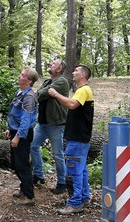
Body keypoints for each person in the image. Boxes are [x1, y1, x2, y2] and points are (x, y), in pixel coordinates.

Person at [48, 65, 94, 215]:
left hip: (78, 138)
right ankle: (84, 197)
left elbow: (72, 105)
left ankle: (75, 203)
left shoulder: (83, 90)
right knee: (82, 170)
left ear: (83, 75)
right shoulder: (83, 91)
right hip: (80, 138)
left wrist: (55, 94)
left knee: (74, 171)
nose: (73, 72)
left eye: (76, 71)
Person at [30, 59, 70, 194]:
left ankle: (62, 182)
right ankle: (39, 175)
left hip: (56, 124)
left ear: (58, 69)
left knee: (58, 154)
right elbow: (38, 95)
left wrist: (44, 92)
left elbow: (42, 93)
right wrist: (44, 92)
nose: (50, 65)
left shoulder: (62, 81)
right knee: (33, 146)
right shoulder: (48, 81)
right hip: (42, 123)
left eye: (53, 64)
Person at [5, 67, 39, 205]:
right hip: (16, 131)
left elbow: (26, 119)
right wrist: (10, 129)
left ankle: (29, 196)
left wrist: (18, 136)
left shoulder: (29, 97)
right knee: (16, 163)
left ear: (29, 81)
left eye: (22, 75)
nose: (19, 76)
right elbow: (14, 112)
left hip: (22, 134)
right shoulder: (20, 92)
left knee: (22, 164)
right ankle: (24, 188)